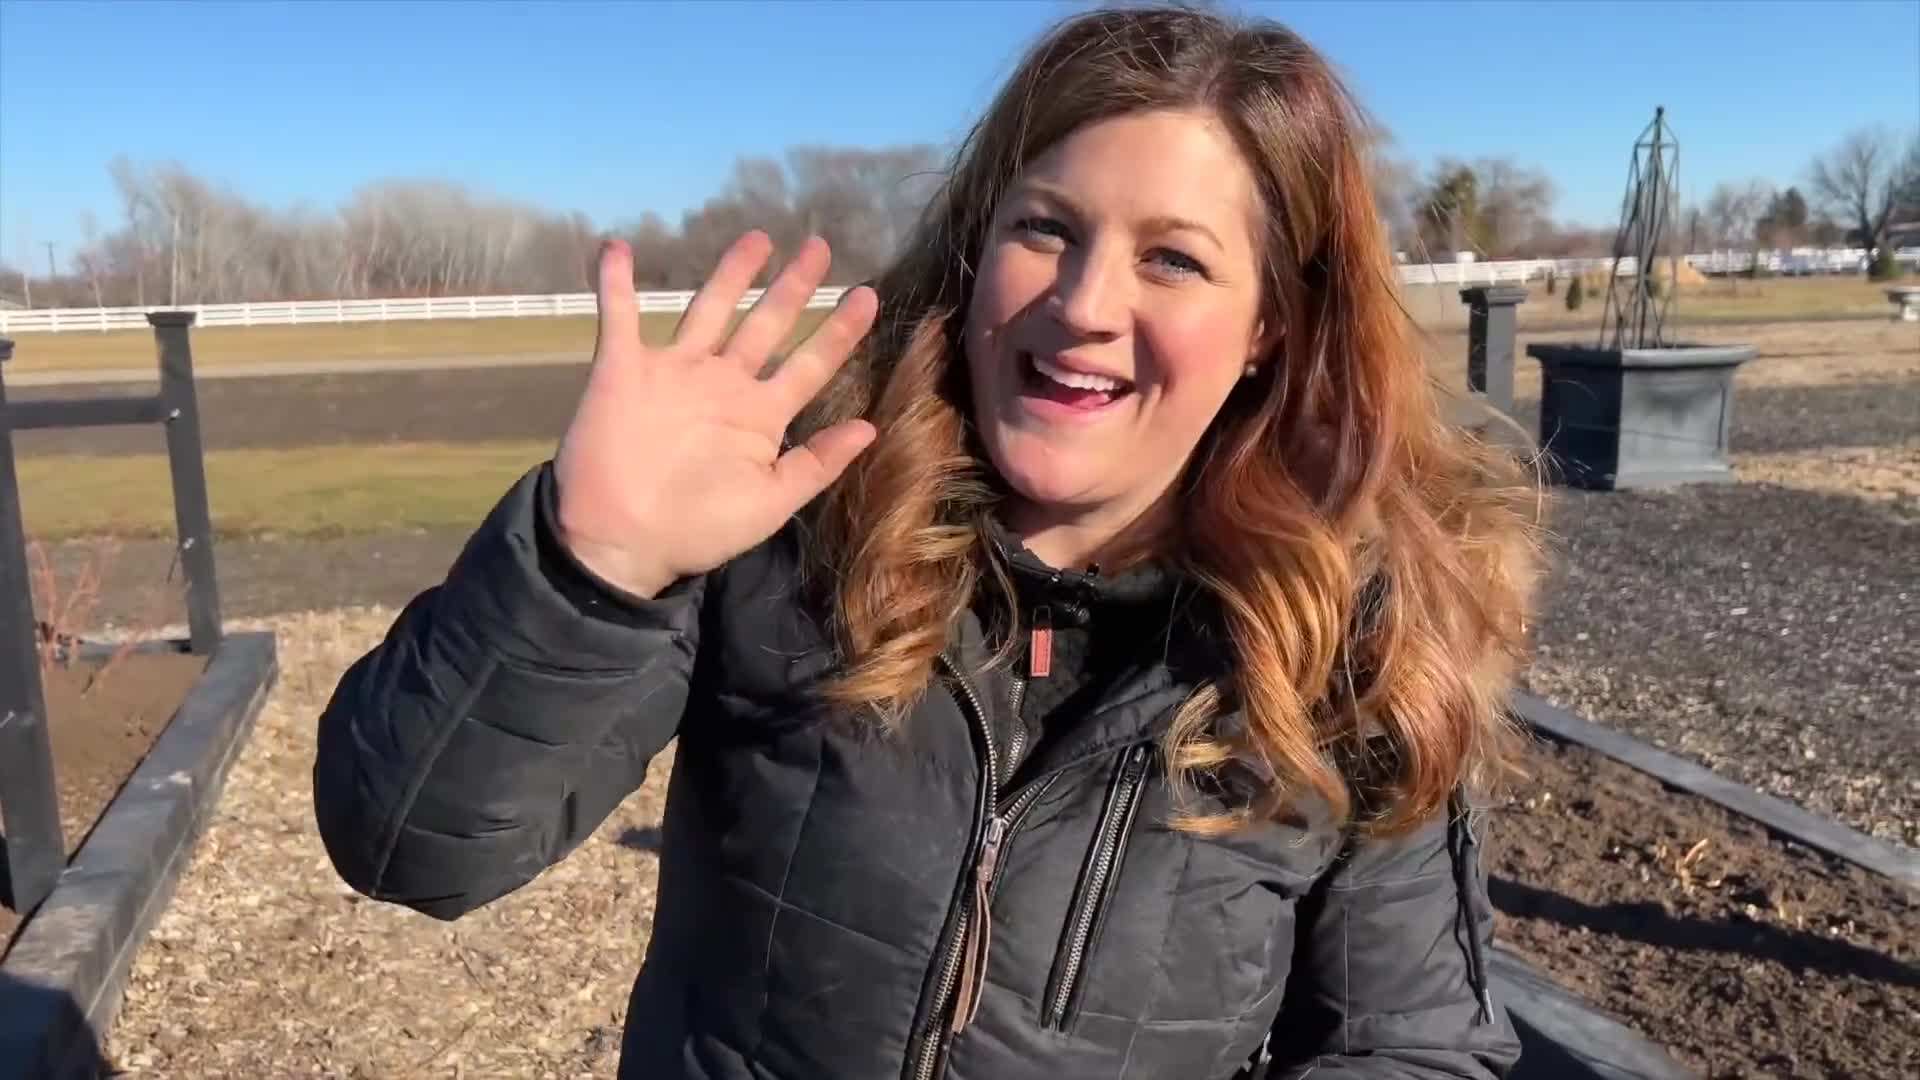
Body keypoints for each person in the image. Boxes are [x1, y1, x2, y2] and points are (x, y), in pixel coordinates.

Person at [312, 5, 1547, 1078]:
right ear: (978, 240)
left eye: (1172, 258)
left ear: (1271, 320)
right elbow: (409, 845)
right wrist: (593, 569)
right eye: (1047, 229)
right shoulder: (790, 528)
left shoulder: (1347, 635)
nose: (1084, 305)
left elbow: (1416, 1041)